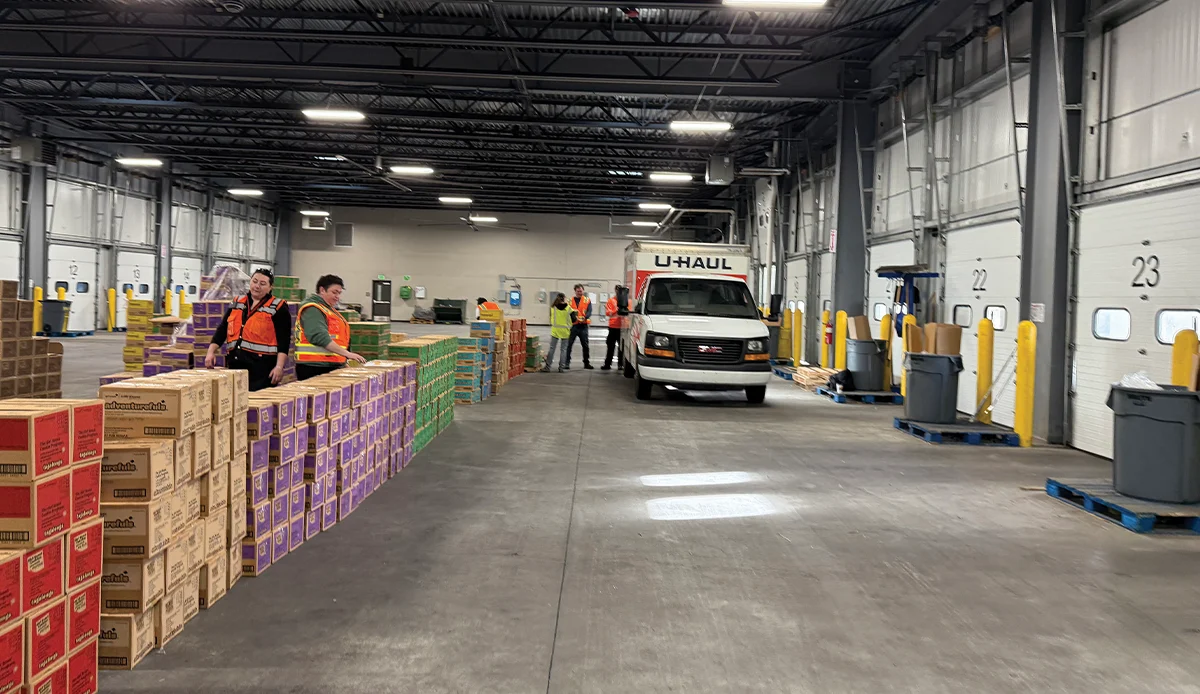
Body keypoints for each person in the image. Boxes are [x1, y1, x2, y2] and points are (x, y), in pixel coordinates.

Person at [205, 268, 291, 392]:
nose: (257, 286)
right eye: (254, 281)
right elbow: (223, 328)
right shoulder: (237, 302)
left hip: (262, 371)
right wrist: (211, 351)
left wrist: (279, 367)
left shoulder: (278, 307)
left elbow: (284, 340)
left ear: (270, 287)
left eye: (262, 284)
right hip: (235, 366)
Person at [294, 274, 366, 381]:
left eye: (339, 293)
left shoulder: (328, 310)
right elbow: (319, 337)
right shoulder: (313, 309)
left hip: (329, 365)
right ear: (322, 290)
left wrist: (342, 361)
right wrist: (347, 354)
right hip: (314, 367)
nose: (337, 296)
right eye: (334, 292)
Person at [602, 285, 632, 371]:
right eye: (617, 291)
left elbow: (629, 312)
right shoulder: (611, 301)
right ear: (615, 291)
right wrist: (617, 310)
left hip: (623, 327)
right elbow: (608, 313)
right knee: (610, 347)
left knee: (621, 348)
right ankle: (607, 364)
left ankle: (620, 364)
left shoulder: (628, 302)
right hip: (613, 327)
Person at [543, 293, 574, 372]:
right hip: (565, 331)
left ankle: (547, 367)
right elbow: (574, 319)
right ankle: (561, 368)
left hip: (555, 331)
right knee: (563, 350)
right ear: (564, 298)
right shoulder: (569, 308)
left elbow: (551, 318)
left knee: (552, 349)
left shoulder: (553, 308)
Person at [565, 284, 593, 370]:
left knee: (585, 345)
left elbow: (589, 311)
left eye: (581, 291)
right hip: (573, 326)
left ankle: (586, 363)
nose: (580, 293)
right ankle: (567, 363)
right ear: (575, 291)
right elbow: (567, 312)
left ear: (583, 291)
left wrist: (585, 317)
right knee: (569, 345)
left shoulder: (587, 300)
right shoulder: (570, 301)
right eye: (578, 291)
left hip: (583, 326)